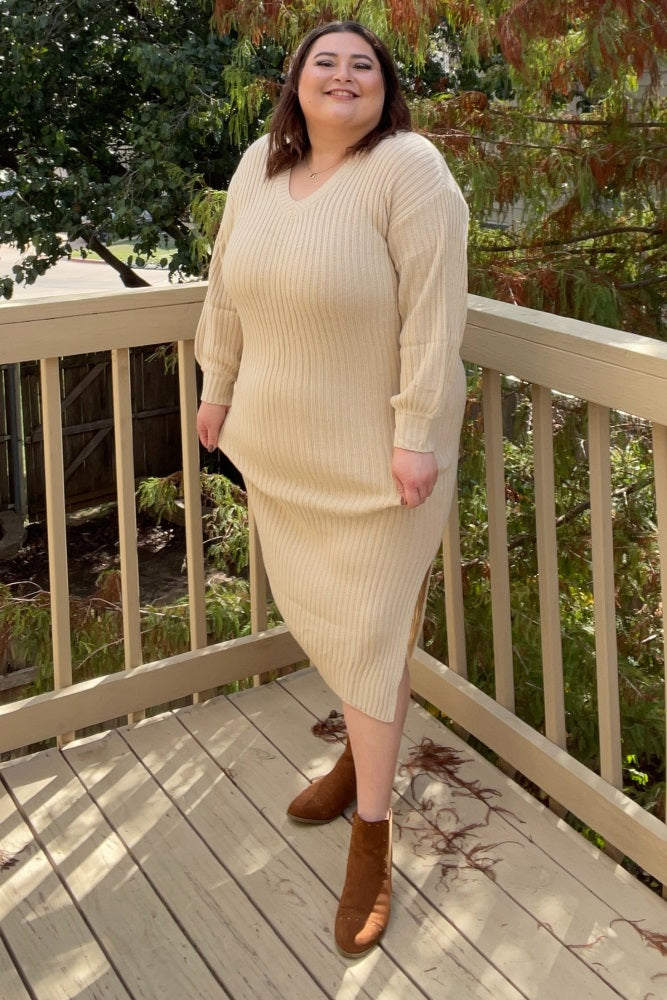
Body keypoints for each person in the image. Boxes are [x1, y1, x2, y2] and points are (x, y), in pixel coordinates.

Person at [195, 20, 468, 958]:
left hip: (384, 466)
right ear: (296, 83)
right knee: (337, 622)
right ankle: (359, 758)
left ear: (383, 88)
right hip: (285, 451)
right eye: (325, 62)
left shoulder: (408, 168)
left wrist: (417, 433)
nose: (343, 75)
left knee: (369, 625)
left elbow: (434, 312)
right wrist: (217, 387)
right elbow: (223, 290)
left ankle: (372, 837)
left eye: (363, 65)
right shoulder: (258, 167)